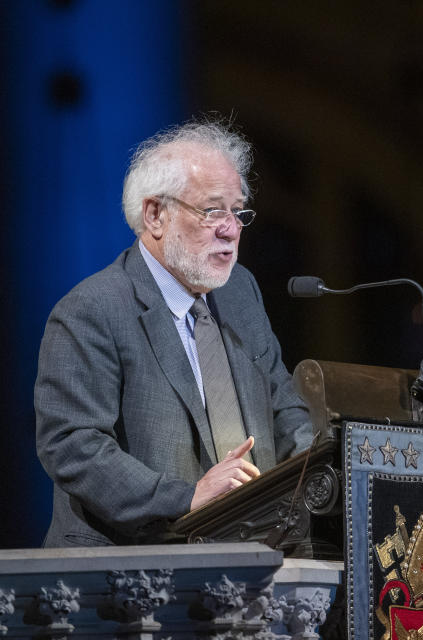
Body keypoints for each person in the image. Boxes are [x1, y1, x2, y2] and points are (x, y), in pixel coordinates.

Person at [34, 118, 314, 547]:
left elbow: (285, 408)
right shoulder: (91, 309)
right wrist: (188, 498)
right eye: (212, 210)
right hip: (132, 566)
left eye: (238, 211)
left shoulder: (241, 291)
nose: (231, 229)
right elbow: (73, 445)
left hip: (256, 554)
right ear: (155, 215)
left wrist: (320, 471)